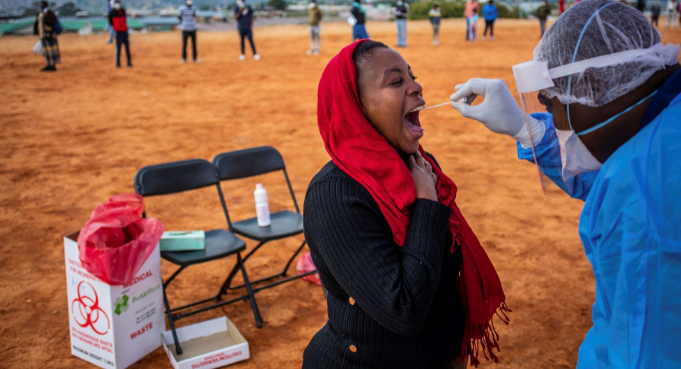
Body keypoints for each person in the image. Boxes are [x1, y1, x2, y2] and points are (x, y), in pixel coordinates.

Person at [449, 1, 681, 367]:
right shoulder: (664, 129)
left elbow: (641, 354)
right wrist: (529, 130)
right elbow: (605, 173)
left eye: (555, 106)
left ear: (593, 84)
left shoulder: (643, 195)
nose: (559, 125)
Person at [303, 39, 510, 369]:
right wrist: (427, 206)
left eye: (412, 77)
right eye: (396, 81)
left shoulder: (420, 166)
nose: (417, 86)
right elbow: (404, 310)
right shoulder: (335, 196)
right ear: (357, 107)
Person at [33, 1, 60, 72]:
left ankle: (52, 65)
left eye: (42, 5)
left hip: (49, 35)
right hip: (43, 35)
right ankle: (49, 64)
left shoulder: (49, 13)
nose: (41, 6)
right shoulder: (41, 13)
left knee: (51, 51)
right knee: (47, 51)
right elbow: (38, 24)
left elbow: (51, 22)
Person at [109, 0, 132, 68]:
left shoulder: (123, 11)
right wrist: (116, 27)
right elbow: (111, 22)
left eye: (118, 3)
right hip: (118, 32)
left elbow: (125, 19)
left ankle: (129, 62)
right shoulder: (112, 13)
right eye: (116, 3)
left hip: (124, 31)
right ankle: (118, 63)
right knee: (118, 48)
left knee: (127, 48)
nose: (117, 4)